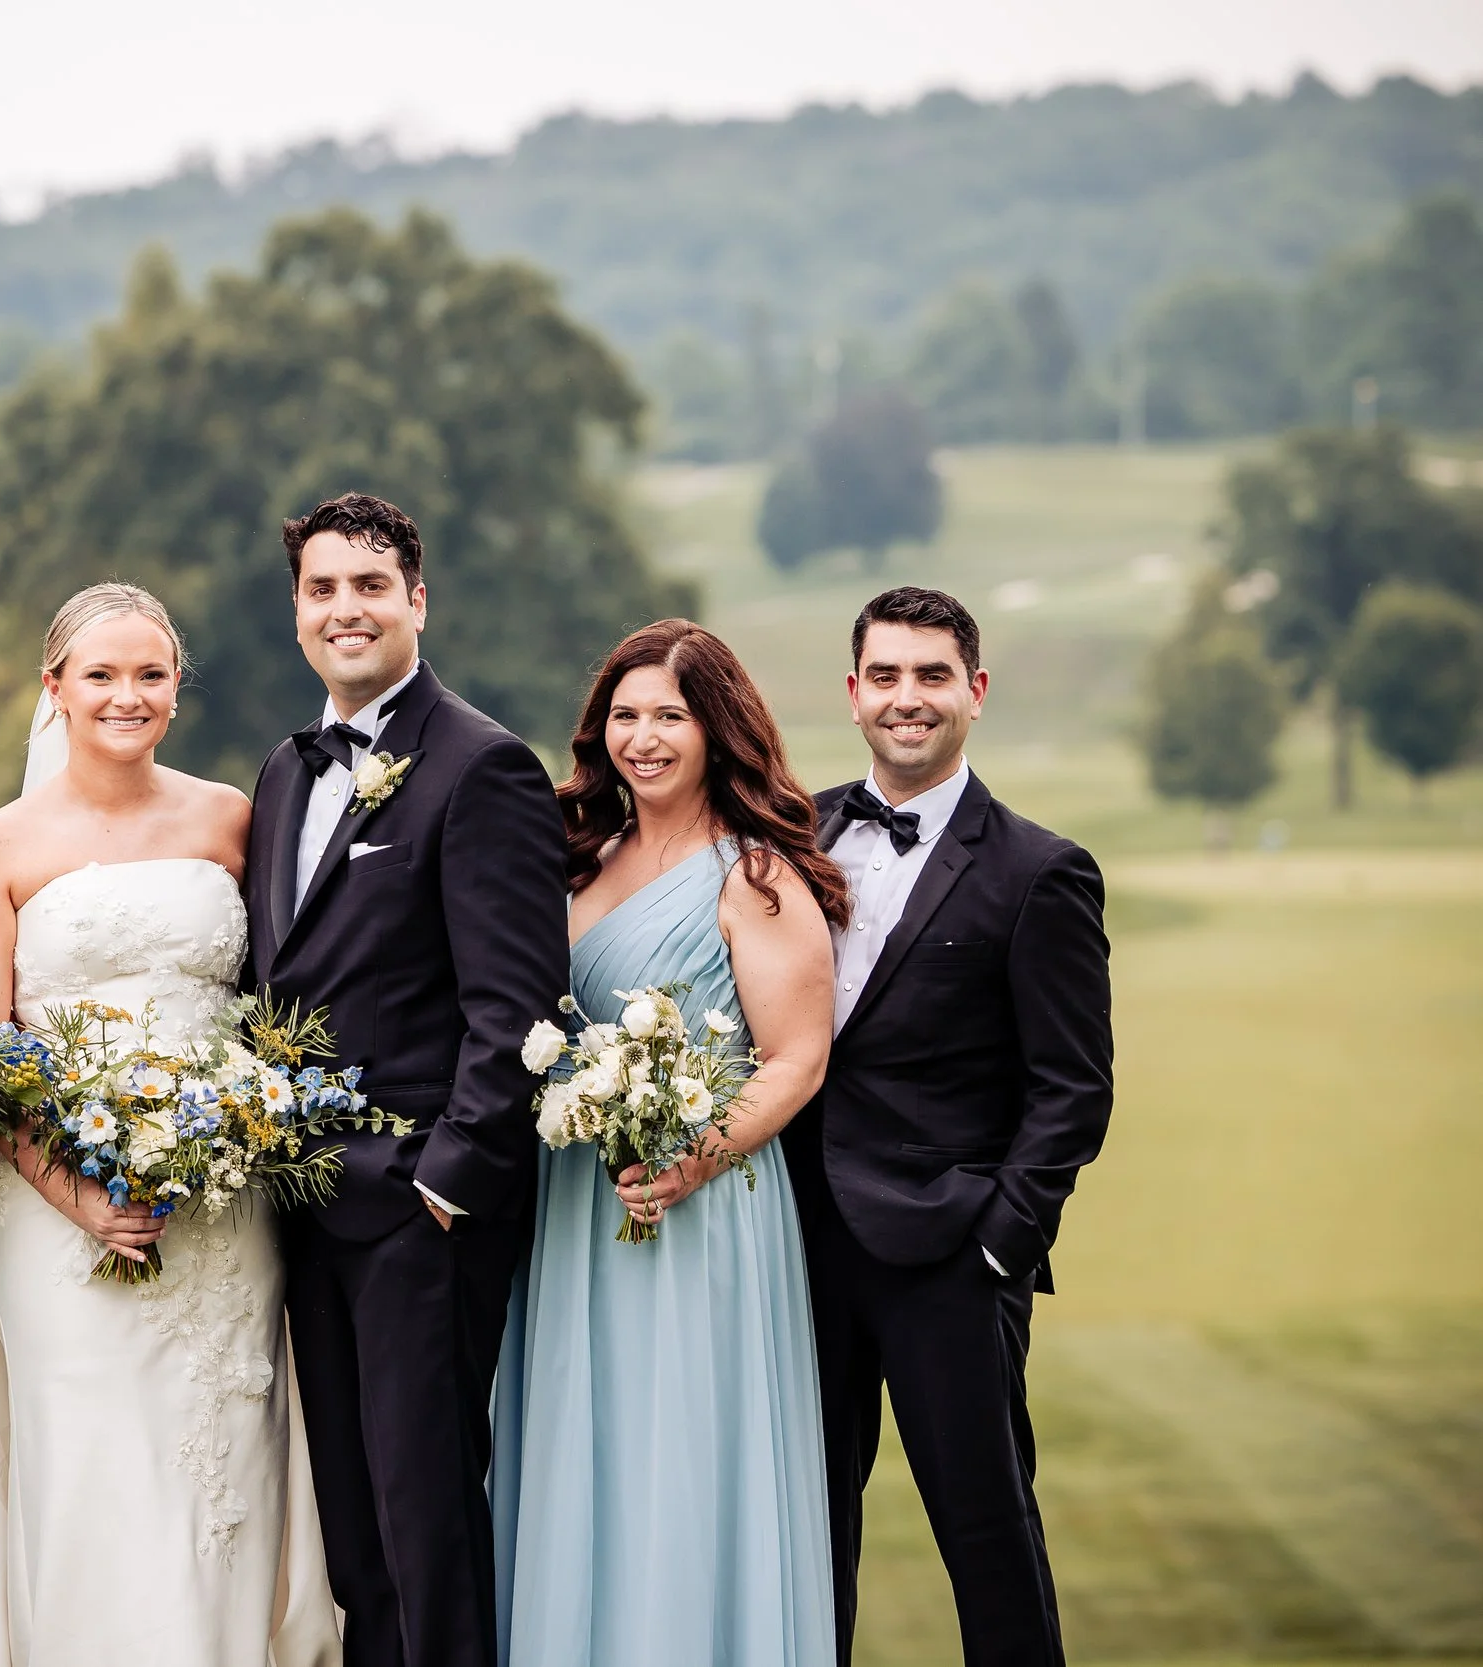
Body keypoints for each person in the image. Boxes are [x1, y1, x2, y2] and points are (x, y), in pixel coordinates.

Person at [0, 583, 342, 1667]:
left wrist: (241, 1127)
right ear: (55, 688)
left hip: (220, 1208)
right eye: (102, 674)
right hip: (55, 1213)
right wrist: (77, 1194)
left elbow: (277, 1004)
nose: (127, 695)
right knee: (92, 1463)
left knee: (224, 1456)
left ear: (176, 688)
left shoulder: (228, 817)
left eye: (150, 674)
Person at [245, 494, 569, 1667]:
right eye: (323, 588)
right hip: (303, 1205)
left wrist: (444, 1183)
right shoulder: (284, 770)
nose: (346, 608)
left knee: (427, 1525)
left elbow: (518, 1006)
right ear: (296, 610)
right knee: (358, 1539)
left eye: (370, 585)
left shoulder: (484, 766)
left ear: (417, 601)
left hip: (419, 1217)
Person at [489, 620, 841, 1666]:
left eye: (669, 716)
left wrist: (690, 1160)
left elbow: (794, 1060)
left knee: (678, 1450)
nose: (642, 738)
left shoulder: (755, 876)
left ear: (717, 730)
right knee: (578, 1439)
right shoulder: (575, 854)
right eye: (624, 715)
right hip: (568, 1201)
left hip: (697, 1208)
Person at [785, 587, 1112, 1667]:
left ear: (975, 691)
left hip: (950, 1260)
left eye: (932, 675)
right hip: (794, 1250)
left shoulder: (1038, 870)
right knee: (802, 1541)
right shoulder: (790, 833)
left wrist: (999, 1245)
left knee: (988, 1539)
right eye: (885, 675)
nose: (907, 698)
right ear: (852, 693)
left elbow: (1073, 1088)